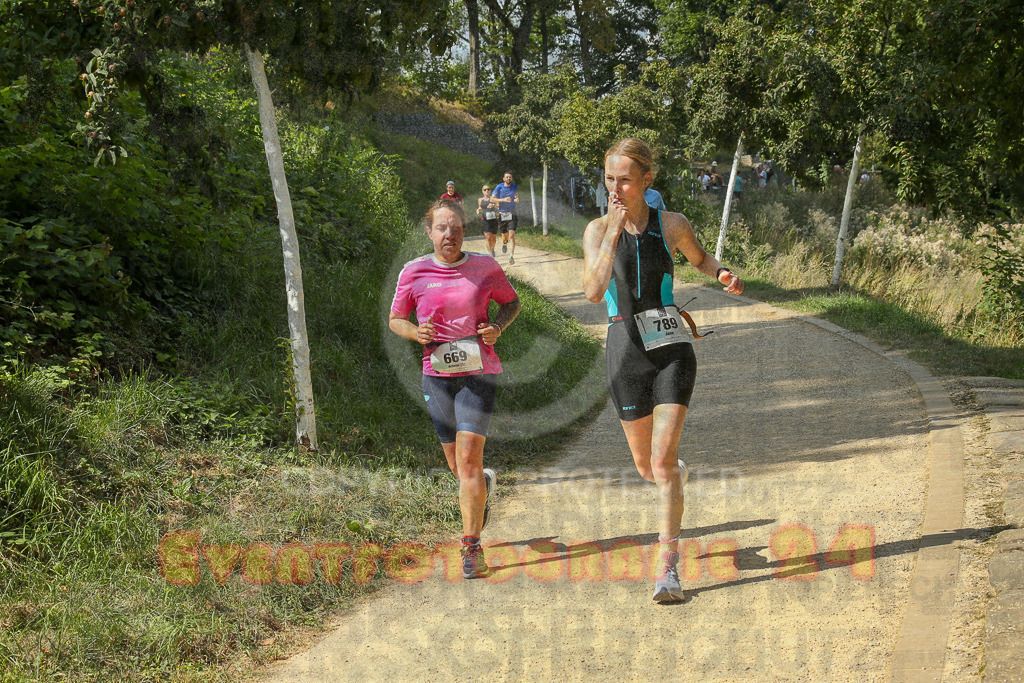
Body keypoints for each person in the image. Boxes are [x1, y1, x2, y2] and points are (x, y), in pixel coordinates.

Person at [582, 138, 744, 603]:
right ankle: (672, 477)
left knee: (662, 462)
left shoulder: (671, 224)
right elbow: (593, 292)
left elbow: (702, 258)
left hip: (671, 347)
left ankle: (666, 568)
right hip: (624, 349)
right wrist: (613, 232)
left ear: (646, 180)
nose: (615, 187)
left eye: (625, 179)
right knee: (645, 466)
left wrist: (722, 275)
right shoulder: (596, 230)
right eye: (609, 178)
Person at [389, 199, 522, 579]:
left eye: (457, 228)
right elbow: (396, 319)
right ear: (429, 232)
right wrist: (416, 332)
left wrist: (498, 327)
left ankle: (471, 548)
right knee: (457, 466)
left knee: (467, 460)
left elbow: (511, 304)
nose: (450, 235)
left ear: (466, 231)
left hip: (479, 371)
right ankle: (483, 486)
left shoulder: (485, 266)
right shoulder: (413, 271)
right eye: (442, 228)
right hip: (436, 375)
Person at [492, 172, 519, 264]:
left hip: (512, 213)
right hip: (503, 214)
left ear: (511, 179)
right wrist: (503, 200)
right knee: (505, 236)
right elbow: (492, 199)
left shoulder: (514, 186)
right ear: (503, 179)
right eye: (507, 177)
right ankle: (504, 243)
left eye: (510, 177)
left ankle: (511, 257)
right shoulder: (499, 187)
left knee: (511, 235)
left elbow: (516, 196)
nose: (508, 178)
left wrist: (516, 199)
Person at [476, 184, 500, 257]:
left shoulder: (493, 199)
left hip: (493, 220)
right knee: (488, 237)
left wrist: (493, 205)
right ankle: (490, 253)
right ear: (482, 191)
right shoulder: (480, 200)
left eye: (488, 189)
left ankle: (492, 249)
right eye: (485, 190)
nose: (487, 191)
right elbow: (480, 207)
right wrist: (478, 210)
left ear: (490, 191)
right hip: (485, 220)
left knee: (493, 237)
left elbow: (497, 205)